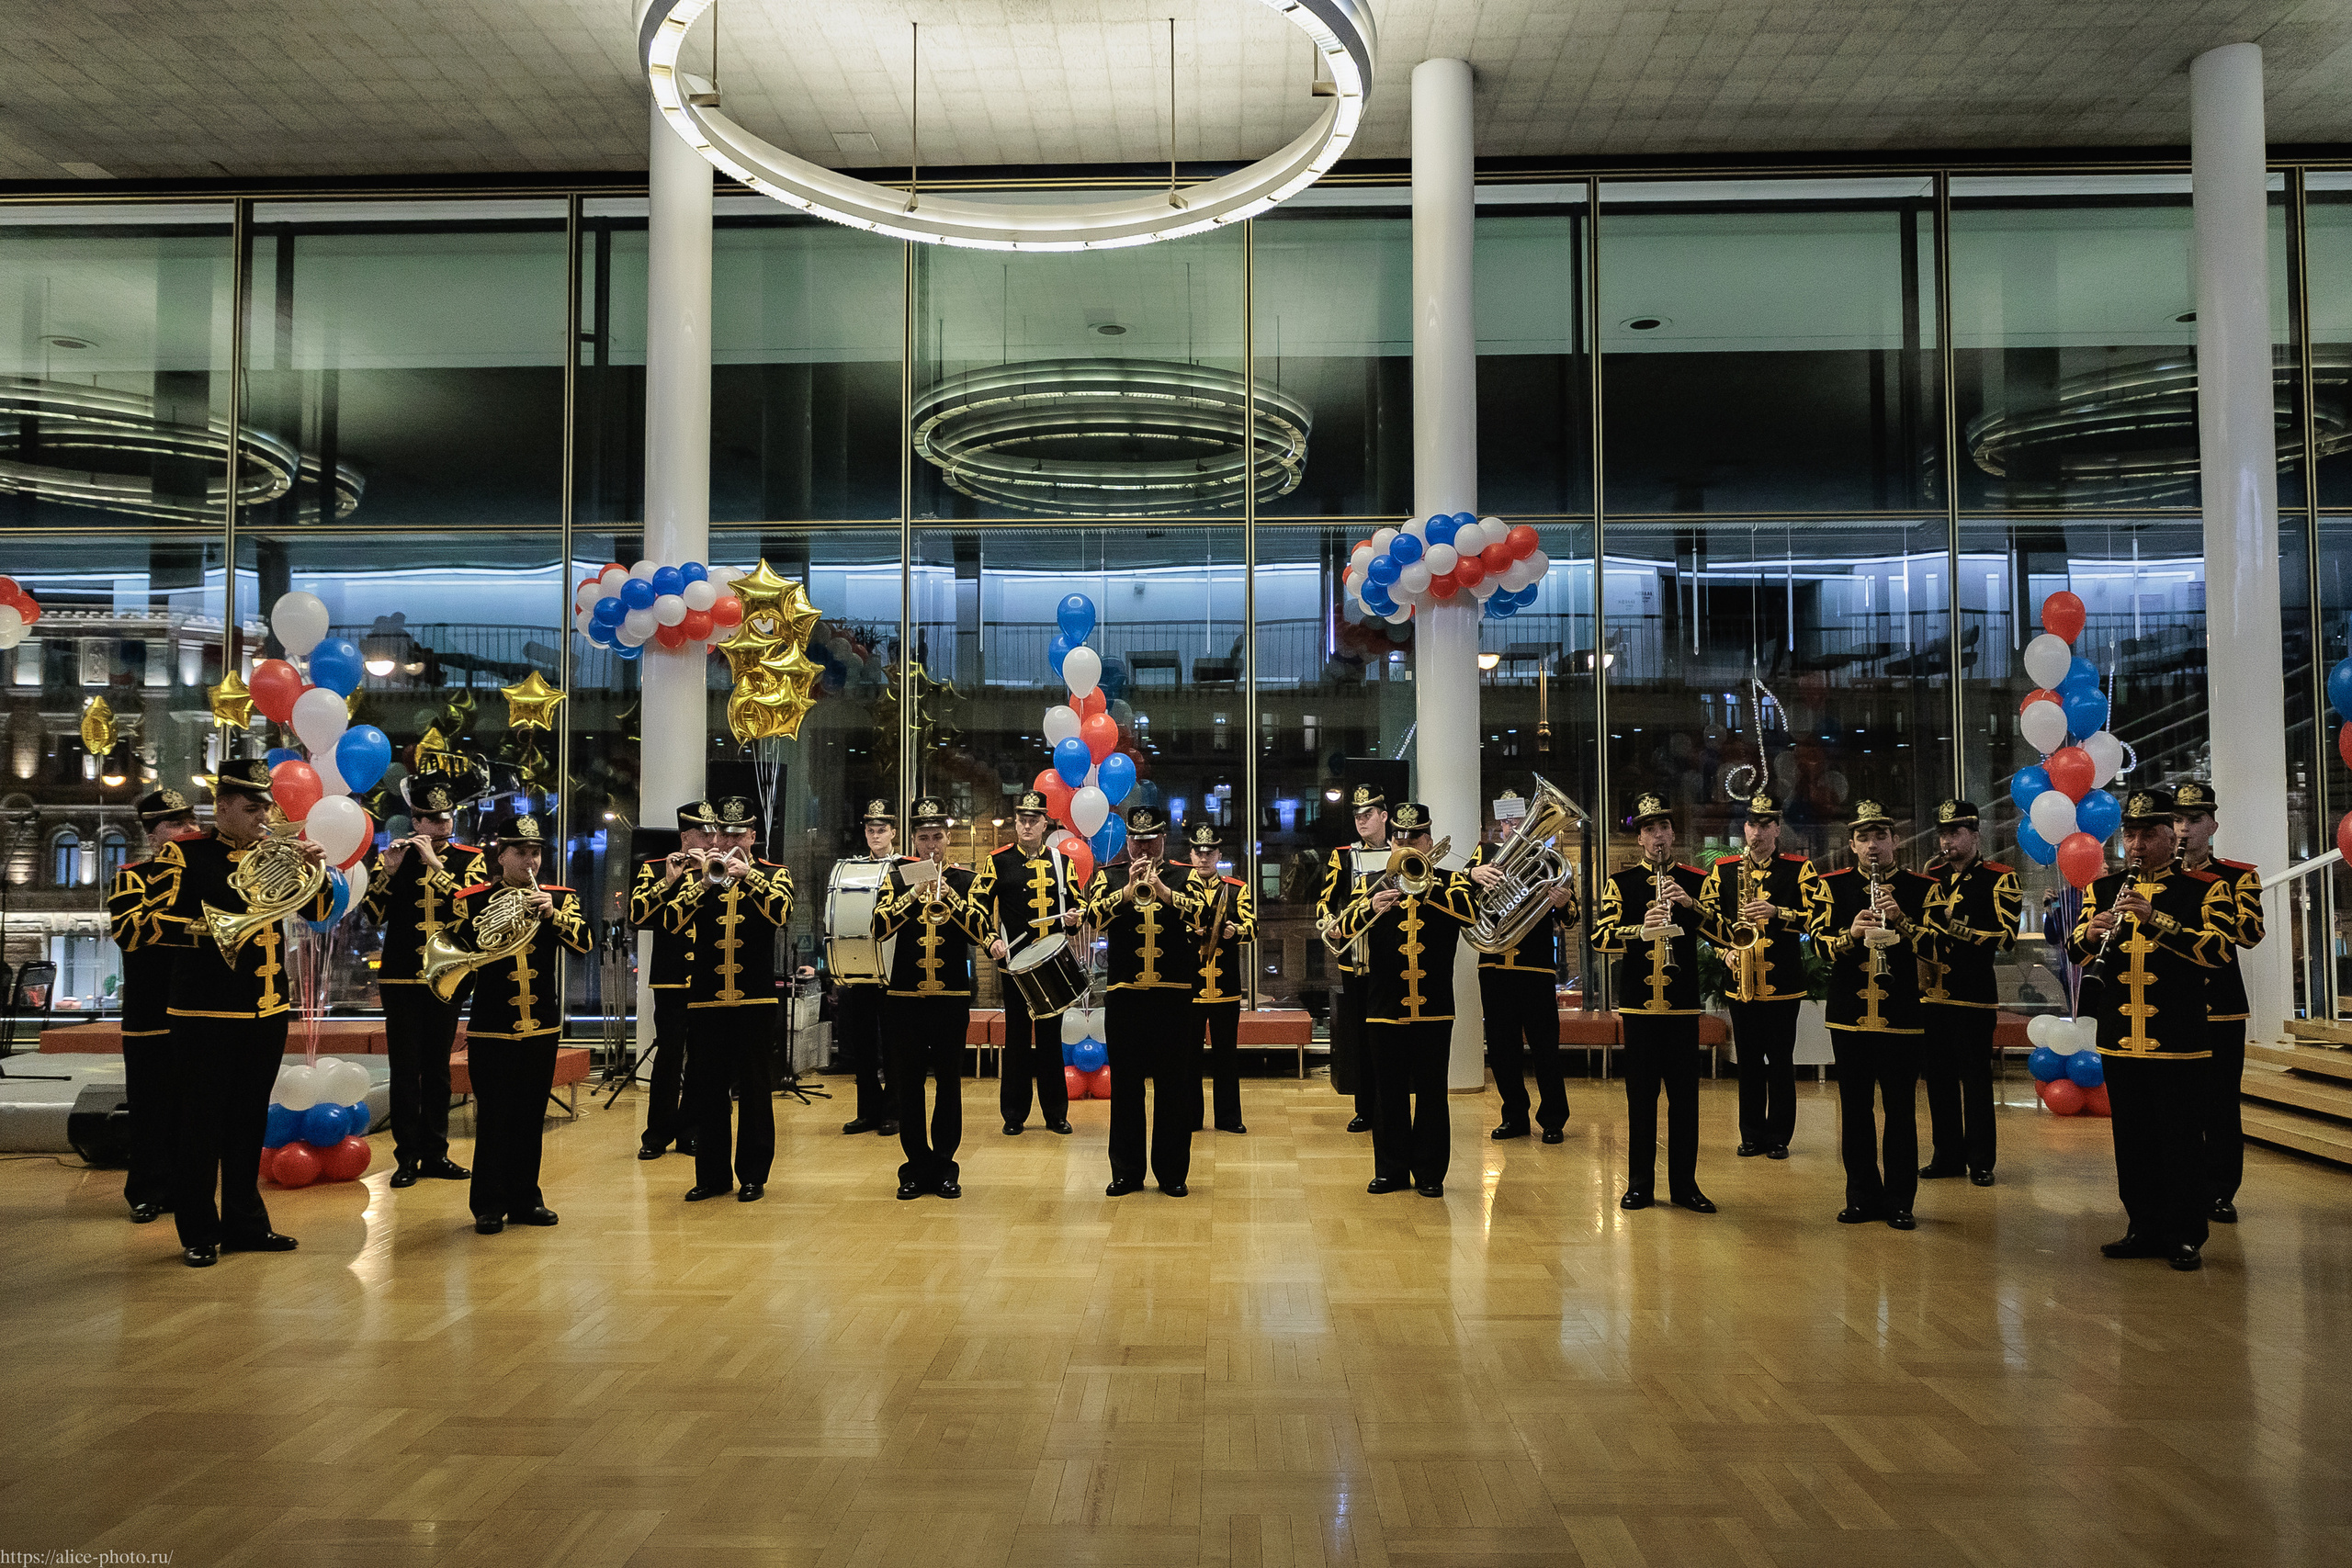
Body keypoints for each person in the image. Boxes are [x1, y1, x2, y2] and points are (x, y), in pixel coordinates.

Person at [146, 758, 333, 1268]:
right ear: (222, 806)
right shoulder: (185, 855)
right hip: (204, 1011)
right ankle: (199, 1231)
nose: (262, 818)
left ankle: (246, 1224)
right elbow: (151, 922)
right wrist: (217, 930)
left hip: (266, 1008)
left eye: (266, 807)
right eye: (251, 809)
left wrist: (313, 871)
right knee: (201, 1123)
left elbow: (316, 915)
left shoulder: (278, 853)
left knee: (249, 1122)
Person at [2070, 788, 2236, 1271]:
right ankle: (2141, 1226)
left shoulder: (2205, 888)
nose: (2137, 844)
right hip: (2121, 1035)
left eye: (2148, 834)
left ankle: (2185, 1234)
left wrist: (2155, 919)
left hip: (2178, 1039)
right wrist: (2091, 934)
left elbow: (2218, 950)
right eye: (2131, 834)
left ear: (2170, 837)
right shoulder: (2104, 889)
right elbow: (2077, 948)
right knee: (2133, 1138)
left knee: (2181, 1138)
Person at [451, 814, 590, 1233]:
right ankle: (489, 1205)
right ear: (501, 855)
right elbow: (456, 955)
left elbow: (584, 944)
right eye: (521, 853)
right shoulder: (471, 900)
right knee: (494, 1116)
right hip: (492, 1025)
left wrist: (554, 917)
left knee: (531, 1116)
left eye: (536, 853)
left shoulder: (559, 898)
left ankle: (527, 1200)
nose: (531, 862)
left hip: (541, 1024)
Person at [1331, 802, 1476, 1197]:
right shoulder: (1372, 883)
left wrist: (1427, 886)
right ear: (1391, 841)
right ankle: (1391, 1170)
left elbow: (1470, 913)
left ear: (1429, 840)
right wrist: (1367, 912)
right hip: (1383, 1007)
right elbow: (1336, 933)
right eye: (1399, 836)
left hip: (1433, 1007)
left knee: (1431, 1091)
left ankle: (1430, 1172)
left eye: (1415, 836)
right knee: (1387, 1091)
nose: (1407, 842)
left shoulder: (1452, 881)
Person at [1808, 799, 1936, 1231]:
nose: (1873, 846)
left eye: (1881, 836)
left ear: (1895, 841)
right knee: (1856, 1110)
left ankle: (1900, 1200)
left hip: (1902, 1015)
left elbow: (1940, 950)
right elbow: (1818, 945)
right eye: (1863, 838)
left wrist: (1903, 922)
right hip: (1850, 1016)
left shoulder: (1922, 888)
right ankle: (1861, 1196)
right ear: (1852, 845)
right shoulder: (1833, 886)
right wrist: (1851, 935)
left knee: (1900, 1110)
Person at [1590, 792, 1722, 1213]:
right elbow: (1600, 937)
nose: (1658, 835)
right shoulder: (1622, 883)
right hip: (1639, 1010)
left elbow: (1724, 933)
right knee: (1640, 1099)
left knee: (1686, 1101)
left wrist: (1691, 906)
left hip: (1682, 1008)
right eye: (1649, 829)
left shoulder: (1697, 881)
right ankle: (1639, 1185)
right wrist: (1637, 929)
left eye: (1663, 827)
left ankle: (1685, 1186)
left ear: (1672, 833)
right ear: (1640, 840)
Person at [663, 795, 793, 1203]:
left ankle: (753, 1173)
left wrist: (749, 877)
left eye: (739, 831)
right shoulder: (698, 874)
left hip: (755, 999)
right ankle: (712, 1175)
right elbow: (670, 921)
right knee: (707, 1088)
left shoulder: (775, 873)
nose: (730, 837)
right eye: (723, 831)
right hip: (706, 999)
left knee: (756, 1087)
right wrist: (703, 882)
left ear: (753, 835)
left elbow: (782, 913)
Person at [363, 775, 485, 1189]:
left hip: (446, 976)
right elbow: (374, 915)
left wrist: (437, 868)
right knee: (405, 1069)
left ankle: (436, 1152)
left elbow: (476, 910)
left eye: (447, 818)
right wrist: (387, 874)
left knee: (437, 1068)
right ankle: (406, 1157)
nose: (443, 826)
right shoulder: (395, 858)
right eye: (433, 820)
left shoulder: (470, 859)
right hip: (400, 978)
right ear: (416, 821)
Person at [871, 797, 991, 1200]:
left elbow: (980, 929)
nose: (930, 845)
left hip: (951, 997)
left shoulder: (966, 878)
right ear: (914, 839)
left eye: (937, 837)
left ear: (949, 837)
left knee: (948, 1083)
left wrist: (948, 897)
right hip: (904, 997)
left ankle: (945, 1166)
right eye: (923, 838)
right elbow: (878, 927)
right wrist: (913, 895)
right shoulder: (897, 875)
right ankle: (914, 1166)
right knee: (908, 1084)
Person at [1085, 804, 1206, 1196]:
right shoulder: (1109, 876)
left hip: (1173, 997)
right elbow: (1092, 918)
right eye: (1137, 841)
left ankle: (1172, 1173)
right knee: (1126, 1087)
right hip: (1125, 998)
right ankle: (1126, 1172)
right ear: (1128, 841)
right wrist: (1126, 891)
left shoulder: (1187, 877)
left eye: (1150, 840)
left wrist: (1166, 894)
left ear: (1163, 838)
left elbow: (1205, 918)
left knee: (1174, 1087)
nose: (1143, 849)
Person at [1698, 792, 1820, 1161]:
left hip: (1783, 984)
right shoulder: (1724, 871)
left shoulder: (1801, 870)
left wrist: (1777, 911)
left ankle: (1779, 1136)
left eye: (1766, 825)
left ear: (1778, 829)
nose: (1758, 833)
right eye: (1752, 825)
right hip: (1739, 982)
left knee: (1781, 1061)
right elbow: (1705, 919)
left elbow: (1817, 918)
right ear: (1745, 828)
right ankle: (1750, 1133)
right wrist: (1725, 951)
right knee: (1748, 1061)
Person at [104, 787, 201, 1224]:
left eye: (190, 822)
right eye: (176, 825)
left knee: (191, 1105)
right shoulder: (131, 877)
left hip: (197, 1006)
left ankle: (188, 1189)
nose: (189, 830)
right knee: (149, 1104)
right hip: (149, 1009)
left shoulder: (203, 873)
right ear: (153, 835)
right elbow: (130, 934)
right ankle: (146, 1189)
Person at [2172, 780, 2263, 1225]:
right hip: (2168, 1005)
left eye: (2194, 820)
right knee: (2175, 1103)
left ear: (2213, 825)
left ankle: (2220, 1189)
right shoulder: (2155, 879)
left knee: (2221, 1103)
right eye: (2177, 820)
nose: (2184, 829)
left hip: (2219, 1008)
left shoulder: (2237, 876)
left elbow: (2248, 935)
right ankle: (2180, 1184)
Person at [1917, 799, 2020, 1188]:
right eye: (1943, 834)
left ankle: (1980, 1161)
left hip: (1973, 995)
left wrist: (1953, 926)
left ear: (1975, 835)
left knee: (1975, 1081)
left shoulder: (2000, 877)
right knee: (1938, 1079)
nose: (1948, 841)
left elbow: (2006, 937)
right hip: (1932, 994)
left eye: (1955, 833)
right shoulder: (1931, 877)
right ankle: (1946, 1156)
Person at [1466, 790, 1577, 1145]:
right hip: (1494, 966)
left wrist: (1563, 902)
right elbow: (1463, 899)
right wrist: (1472, 874)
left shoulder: (1551, 858)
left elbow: (1571, 918)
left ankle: (1553, 1119)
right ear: (1497, 823)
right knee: (1501, 1047)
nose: (1511, 826)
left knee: (1545, 1047)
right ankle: (1514, 1115)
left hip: (1536, 967)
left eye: (1518, 820)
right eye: (1506, 821)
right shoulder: (1483, 855)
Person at [978, 789, 1081, 1137]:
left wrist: (1073, 918)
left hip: (1051, 965)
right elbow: (976, 906)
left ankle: (1055, 1113)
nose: (1026, 825)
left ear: (1044, 824)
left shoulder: (1062, 862)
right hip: (1015, 967)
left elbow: (1078, 905)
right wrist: (990, 938)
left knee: (1052, 1040)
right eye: (1021, 819)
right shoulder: (998, 861)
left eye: (1033, 819)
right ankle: (1014, 1114)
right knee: (1018, 1039)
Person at [628, 801, 720, 1159]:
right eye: (702, 831)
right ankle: (657, 1134)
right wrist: (669, 882)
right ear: (685, 836)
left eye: (713, 831)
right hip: (670, 979)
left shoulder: (719, 869)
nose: (711, 837)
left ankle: (691, 1131)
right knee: (668, 1057)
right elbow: (638, 915)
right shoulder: (656, 868)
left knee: (701, 1059)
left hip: (708, 978)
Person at [1317, 785, 1389, 1133]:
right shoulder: (1343, 855)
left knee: (1387, 1038)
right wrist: (1328, 924)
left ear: (1384, 816)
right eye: (1357, 816)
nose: (1361, 821)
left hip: (1391, 962)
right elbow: (1326, 900)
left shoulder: (1401, 855)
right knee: (1359, 1037)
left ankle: (1388, 1105)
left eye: (1368, 815)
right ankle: (1364, 1108)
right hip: (1355, 960)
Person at [834, 799, 905, 1137]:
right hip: (862, 964)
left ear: (893, 832)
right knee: (861, 1042)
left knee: (893, 1043)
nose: (875, 835)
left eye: (882, 830)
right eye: (870, 830)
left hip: (894, 968)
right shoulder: (855, 868)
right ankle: (868, 1111)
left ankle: (894, 1110)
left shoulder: (905, 867)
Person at [1183, 821, 1257, 1135]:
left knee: (1227, 1054)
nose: (1203, 858)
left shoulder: (1236, 888)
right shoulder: (1178, 888)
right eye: (1198, 852)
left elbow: (1253, 927)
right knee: (1188, 1056)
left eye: (1209, 852)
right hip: (1189, 987)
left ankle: (1228, 1117)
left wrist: (1234, 930)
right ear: (1190, 853)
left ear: (1218, 853)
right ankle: (1189, 1117)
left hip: (1226, 986)